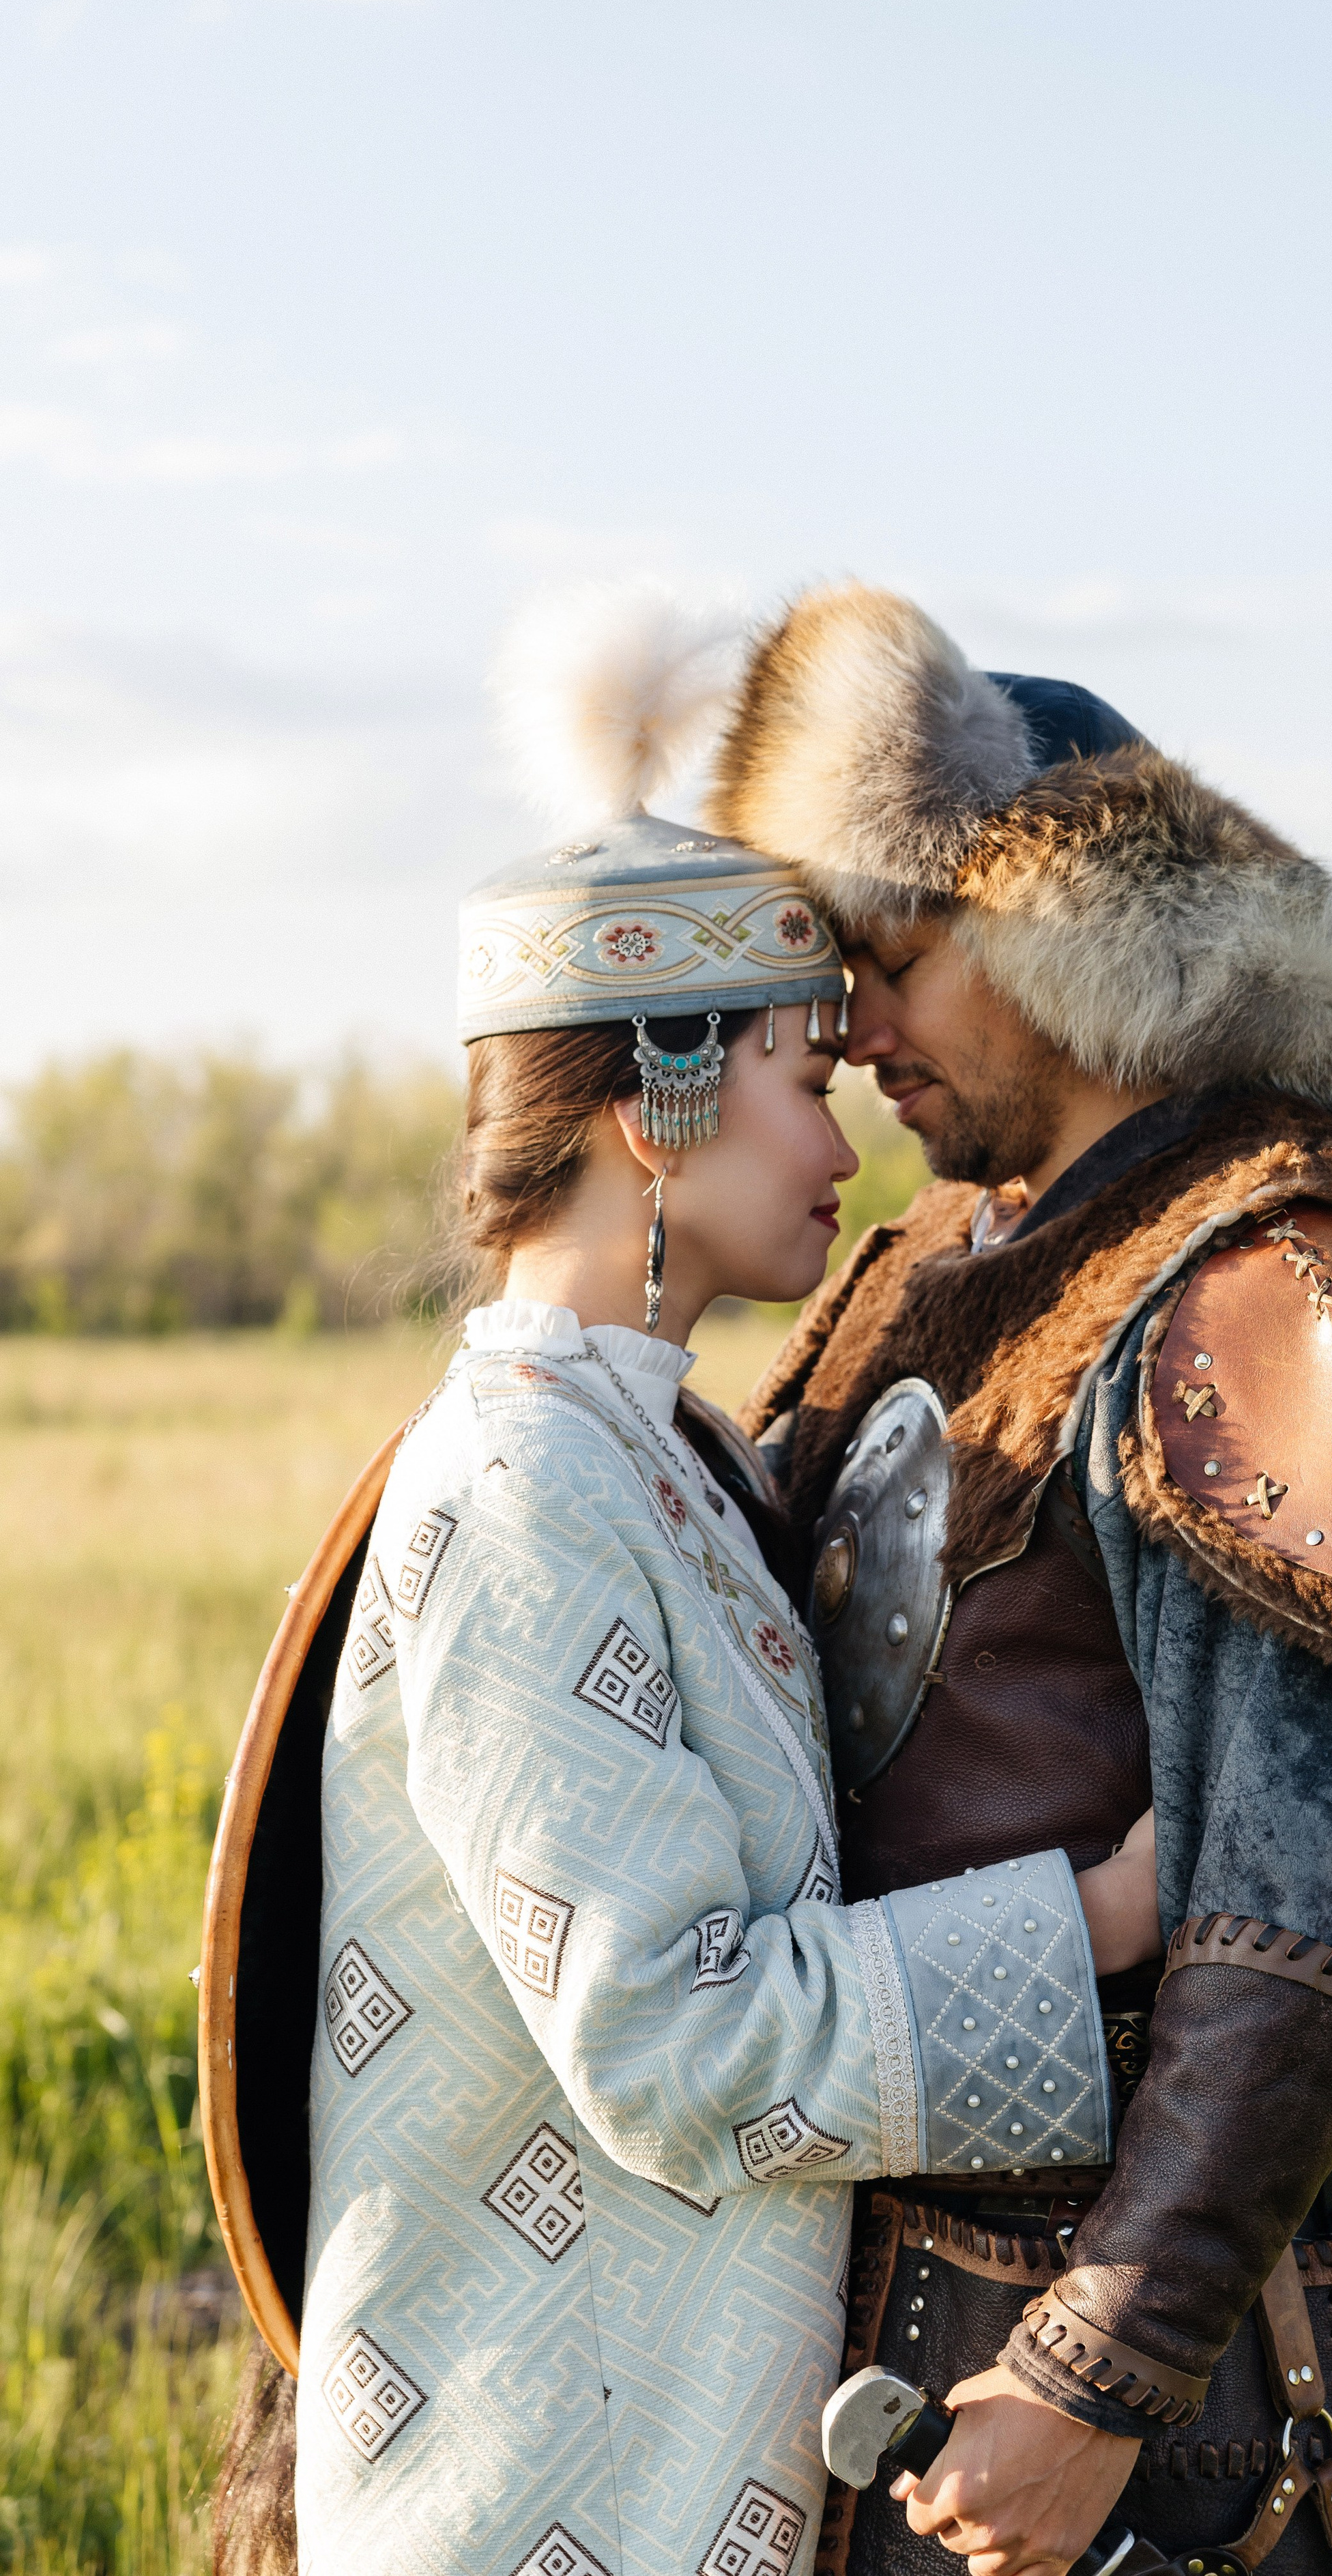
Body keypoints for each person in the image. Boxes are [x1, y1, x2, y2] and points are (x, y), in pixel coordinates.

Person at [214, 593, 1163, 2576]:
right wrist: (1100, 1914)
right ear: (655, 1103)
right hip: (539, 2497)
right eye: (799, 1074)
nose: (844, 1133)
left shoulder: (670, 1447)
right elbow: (674, 2041)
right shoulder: (526, 1484)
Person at [704, 583, 1332, 2576]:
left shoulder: (1281, 1277)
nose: (857, 1033)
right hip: (841, 2320)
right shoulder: (916, 1269)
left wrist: (1100, 2365)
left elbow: (1311, 1909)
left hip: (1111, 2407)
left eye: (896, 959)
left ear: (1060, 931)